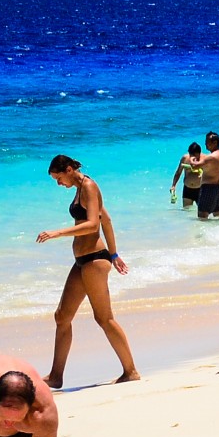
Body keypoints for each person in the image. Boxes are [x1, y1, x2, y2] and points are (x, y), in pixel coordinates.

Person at [37, 155, 140, 387]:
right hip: (82, 260)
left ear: (70, 169)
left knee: (104, 318)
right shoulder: (80, 188)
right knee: (62, 316)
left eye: (59, 177)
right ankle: (56, 376)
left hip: (94, 260)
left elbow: (94, 224)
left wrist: (57, 233)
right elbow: (108, 220)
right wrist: (114, 254)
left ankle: (131, 371)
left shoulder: (89, 186)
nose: (58, 183)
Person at [196, 132, 219, 219]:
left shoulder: (211, 157)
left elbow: (195, 165)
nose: (205, 144)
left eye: (207, 141)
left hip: (208, 189)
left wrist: (192, 158)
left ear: (215, 143)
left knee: (202, 218)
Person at [169, 142, 204, 209]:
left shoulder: (204, 159)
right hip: (187, 189)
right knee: (186, 212)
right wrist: (173, 185)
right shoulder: (185, 158)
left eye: (195, 155)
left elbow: (211, 174)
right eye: (191, 155)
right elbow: (178, 172)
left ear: (199, 153)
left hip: (200, 189)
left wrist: (203, 174)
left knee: (202, 213)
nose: (192, 158)